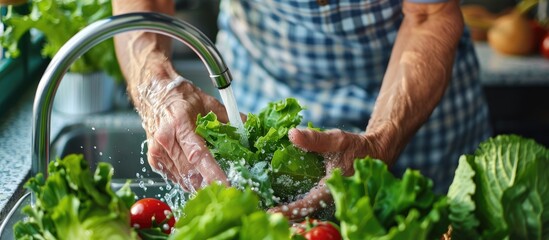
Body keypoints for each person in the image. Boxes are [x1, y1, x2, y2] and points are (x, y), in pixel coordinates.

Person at [112, 0, 491, 219]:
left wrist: (381, 141)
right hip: (258, 101)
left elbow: (428, 14)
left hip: (417, 111)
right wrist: (156, 87)